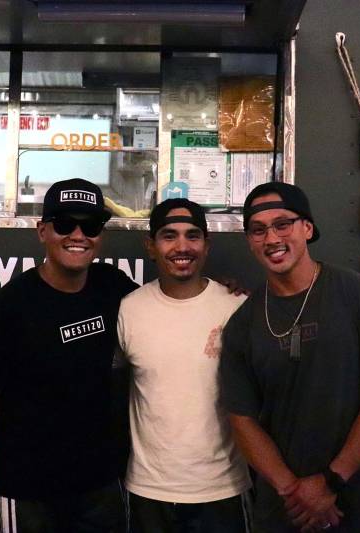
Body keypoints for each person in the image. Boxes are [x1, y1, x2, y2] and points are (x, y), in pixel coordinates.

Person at [220, 182, 360, 532]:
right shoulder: (242, 324)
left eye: (282, 224)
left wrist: (330, 481)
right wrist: (293, 491)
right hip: (288, 510)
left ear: (307, 228)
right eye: (258, 230)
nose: (271, 239)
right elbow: (242, 418)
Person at [0, 178, 138, 533]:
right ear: (42, 231)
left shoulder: (114, 287)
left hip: (100, 485)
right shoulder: (9, 307)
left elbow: (170, 301)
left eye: (90, 226)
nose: (78, 235)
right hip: (27, 490)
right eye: (64, 224)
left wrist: (224, 287)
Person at [116, 198, 252, 532]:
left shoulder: (237, 307)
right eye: (169, 236)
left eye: (193, 236)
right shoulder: (129, 309)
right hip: (148, 490)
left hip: (224, 490)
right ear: (151, 246)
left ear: (207, 245)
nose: (182, 246)